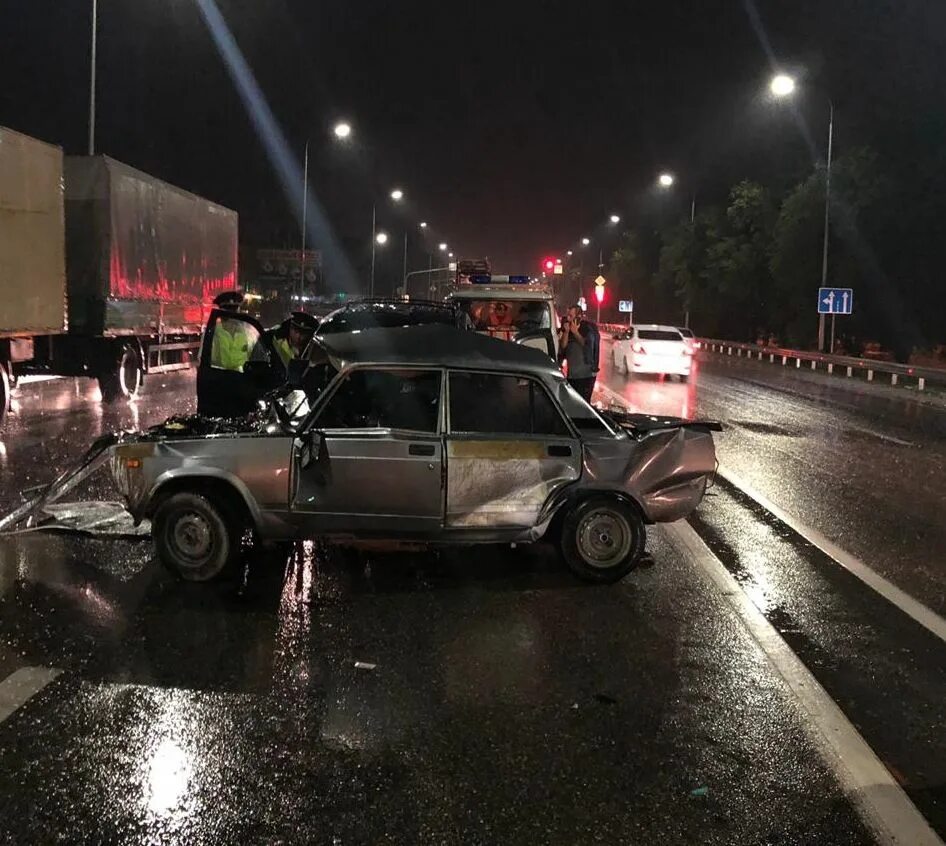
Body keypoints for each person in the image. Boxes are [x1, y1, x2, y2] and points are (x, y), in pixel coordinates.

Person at [558, 304, 600, 402]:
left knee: (583, 404)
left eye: (571, 316)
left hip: (586, 376)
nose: (568, 318)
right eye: (567, 315)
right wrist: (567, 332)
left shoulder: (587, 329)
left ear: (579, 317)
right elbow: (563, 347)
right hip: (572, 375)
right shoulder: (566, 328)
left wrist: (576, 333)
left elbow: (588, 346)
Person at [209, 290, 252, 372]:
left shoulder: (247, 333)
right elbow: (204, 363)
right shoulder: (212, 333)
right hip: (220, 380)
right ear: (221, 313)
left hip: (242, 380)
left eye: (234, 310)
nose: (232, 315)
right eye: (228, 311)